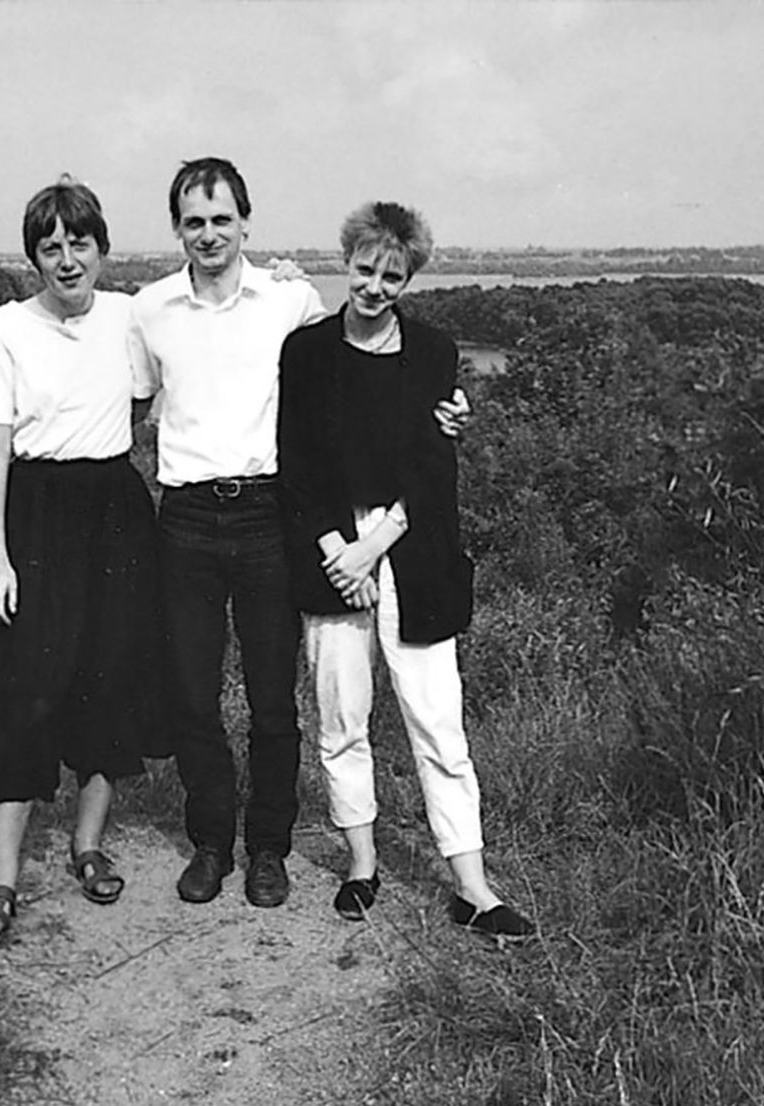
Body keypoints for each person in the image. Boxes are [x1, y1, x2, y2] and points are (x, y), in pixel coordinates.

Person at [129, 158, 470, 909]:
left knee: (273, 699)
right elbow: (125, 402)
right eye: (194, 221)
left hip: (265, 515)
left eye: (223, 219)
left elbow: (368, 385)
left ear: (246, 222)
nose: (209, 234)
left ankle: (269, 848)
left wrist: (444, 415)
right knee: (193, 695)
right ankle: (210, 841)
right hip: (184, 517)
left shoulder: (290, 300)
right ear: (177, 228)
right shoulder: (148, 310)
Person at [277, 200, 534, 942]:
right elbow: (297, 465)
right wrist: (339, 553)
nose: (375, 286)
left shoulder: (432, 352)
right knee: (342, 718)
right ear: (345, 264)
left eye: (392, 275)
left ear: (408, 278)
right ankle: (361, 866)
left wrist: (373, 548)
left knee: (438, 724)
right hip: (331, 545)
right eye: (364, 269)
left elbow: (431, 466)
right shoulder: (307, 352)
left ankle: (473, 889)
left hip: (411, 549)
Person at [0, 177, 164, 938]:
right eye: (52, 248)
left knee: (107, 679)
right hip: (35, 515)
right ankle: (1, 876)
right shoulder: (5, 328)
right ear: (35, 258)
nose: (68, 260)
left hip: (114, 512)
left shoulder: (131, 317)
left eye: (80, 244)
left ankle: (88, 846)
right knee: (22, 685)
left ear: (102, 248)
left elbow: (168, 379)